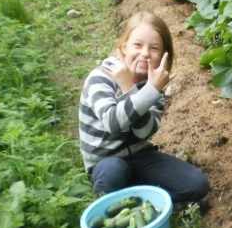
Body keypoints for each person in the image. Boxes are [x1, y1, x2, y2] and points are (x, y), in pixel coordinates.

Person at [78, 11, 209, 206]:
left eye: (154, 48)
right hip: (106, 162)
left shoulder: (153, 85)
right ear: (123, 48)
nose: (145, 53)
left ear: (164, 57)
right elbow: (113, 123)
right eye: (137, 45)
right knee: (114, 172)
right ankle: (131, 201)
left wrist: (138, 90)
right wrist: (133, 89)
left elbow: (144, 132)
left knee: (197, 184)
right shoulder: (101, 78)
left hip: (140, 156)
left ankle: (141, 202)